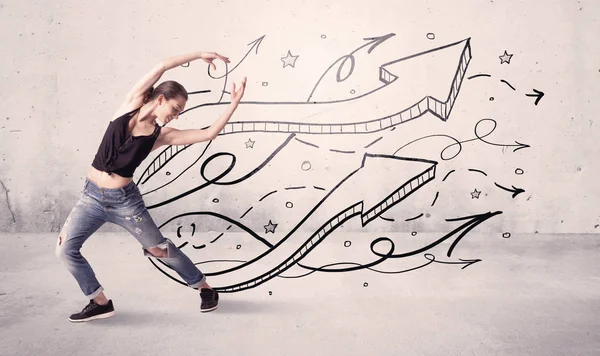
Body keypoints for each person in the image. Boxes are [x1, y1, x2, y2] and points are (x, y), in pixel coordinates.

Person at [55, 51, 246, 322]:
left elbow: (208, 134)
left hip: (125, 202)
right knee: (65, 249)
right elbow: (162, 66)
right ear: (160, 99)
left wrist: (234, 104)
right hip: (91, 197)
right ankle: (100, 302)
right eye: (175, 109)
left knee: (158, 249)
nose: (176, 116)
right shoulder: (129, 106)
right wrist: (200, 54)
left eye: (180, 113)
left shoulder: (161, 135)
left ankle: (204, 288)